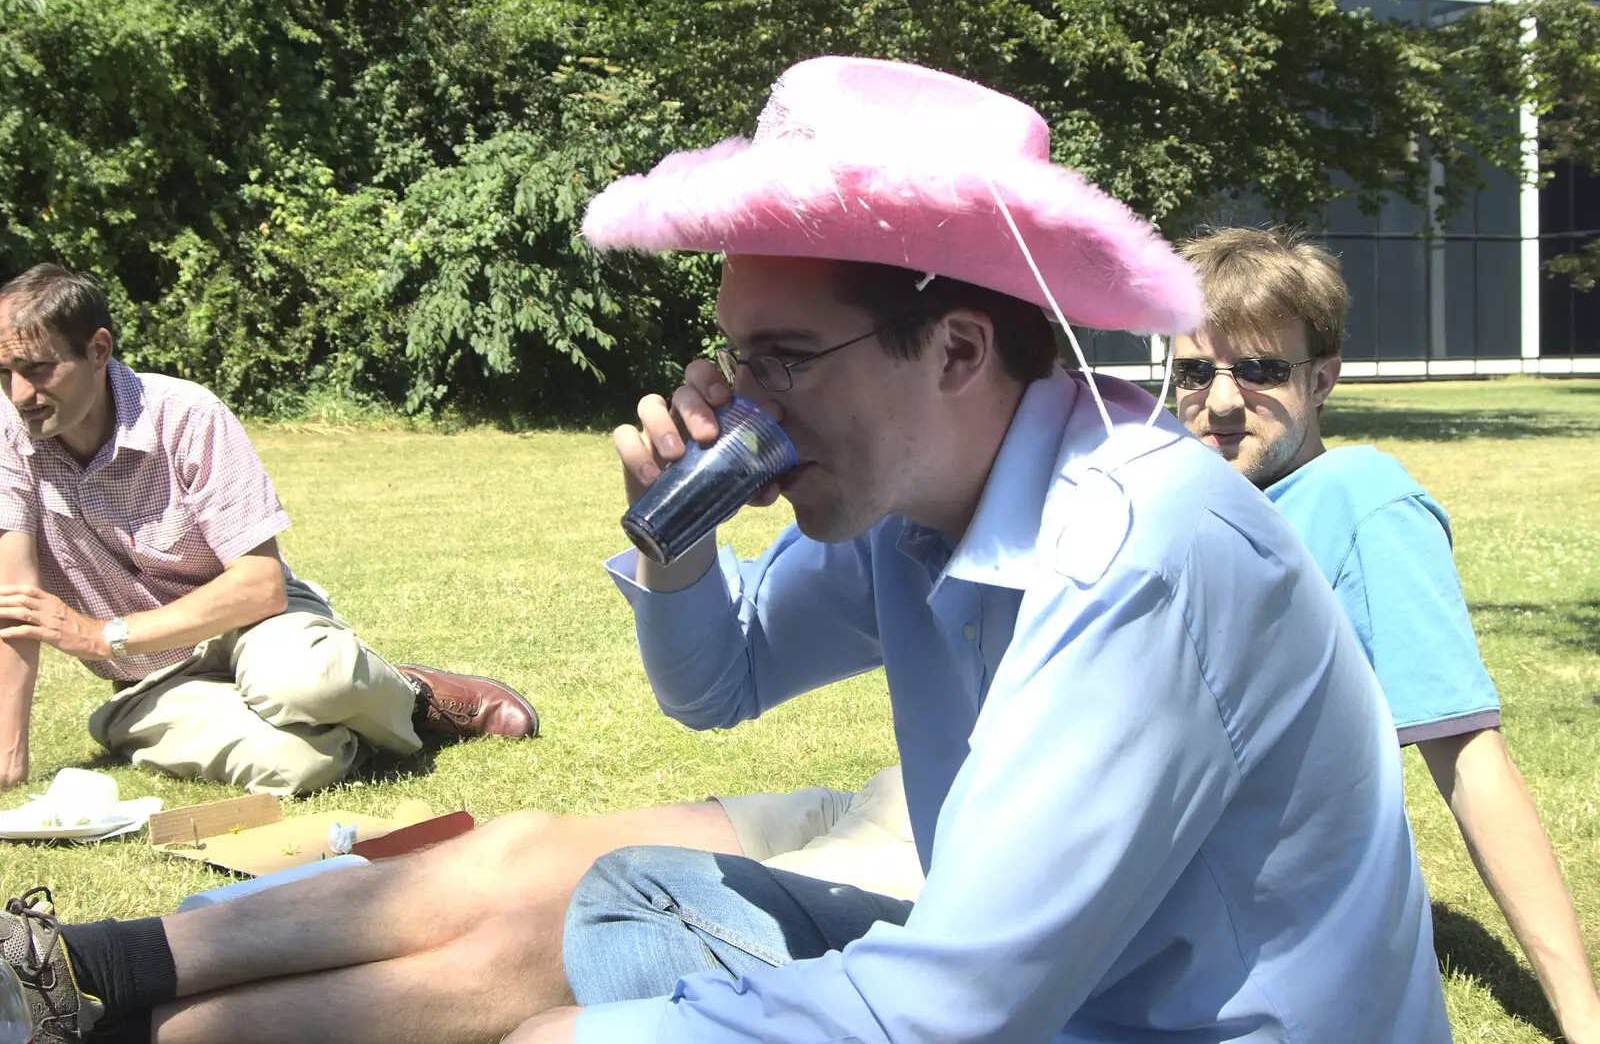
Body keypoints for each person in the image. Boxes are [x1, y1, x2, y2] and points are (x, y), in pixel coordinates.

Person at [514, 54, 1448, 1042]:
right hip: (1053, 996)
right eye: (735, 356)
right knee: (634, 896)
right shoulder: (908, 496)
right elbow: (718, 679)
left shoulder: (1135, 552)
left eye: (782, 358)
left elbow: (956, 1011)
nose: (740, 402)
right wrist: (677, 540)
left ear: (959, 349)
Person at [1172, 225, 1600, 1044]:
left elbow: (1467, 754)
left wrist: (1582, 1018)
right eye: (1196, 371)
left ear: (1323, 377)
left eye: (1261, 370)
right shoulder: (1186, 498)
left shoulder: (1359, 500)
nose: (1222, 401)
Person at [0, 264, 539, 797]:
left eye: (39, 369)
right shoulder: (8, 441)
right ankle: (357, 719)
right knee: (297, 764)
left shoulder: (185, 415)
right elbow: (16, 607)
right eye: (4, 374)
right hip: (150, 679)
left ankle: (409, 697)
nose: (20, 393)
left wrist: (102, 635)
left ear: (98, 349)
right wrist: (9, 758)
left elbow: (260, 585)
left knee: (313, 682)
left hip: (258, 626)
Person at [1, 768, 917, 1044]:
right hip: (892, 792)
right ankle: (77, 961)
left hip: (929, 871)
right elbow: (723, 672)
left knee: (548, 934)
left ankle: (111, 1037)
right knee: (521, 842)